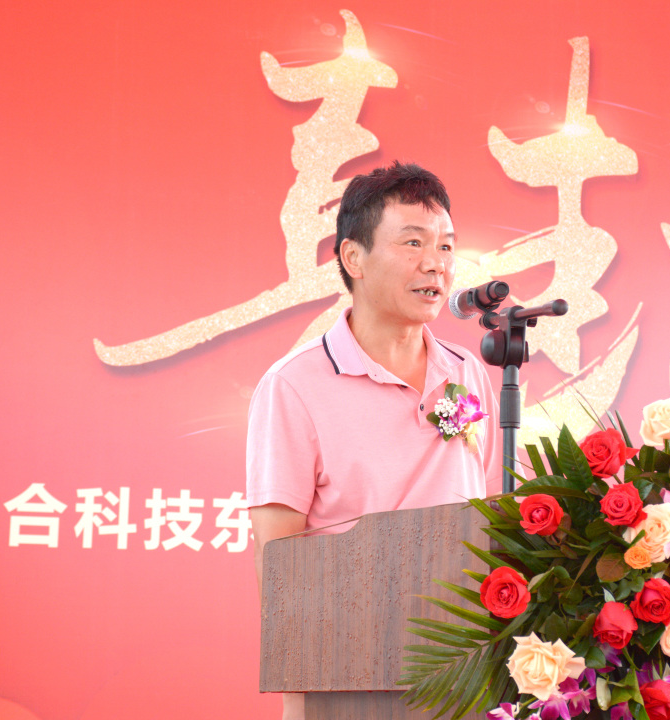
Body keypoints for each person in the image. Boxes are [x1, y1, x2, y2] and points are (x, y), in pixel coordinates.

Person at [245, 161, 501, 720]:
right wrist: (301, 692)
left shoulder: (468, 372)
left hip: (462, 668)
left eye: (446, 246)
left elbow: (489, 516)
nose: (435, 263)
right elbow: (277, 557)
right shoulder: (295, 385)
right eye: (413, 242)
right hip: (349, 673)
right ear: (353, 257)